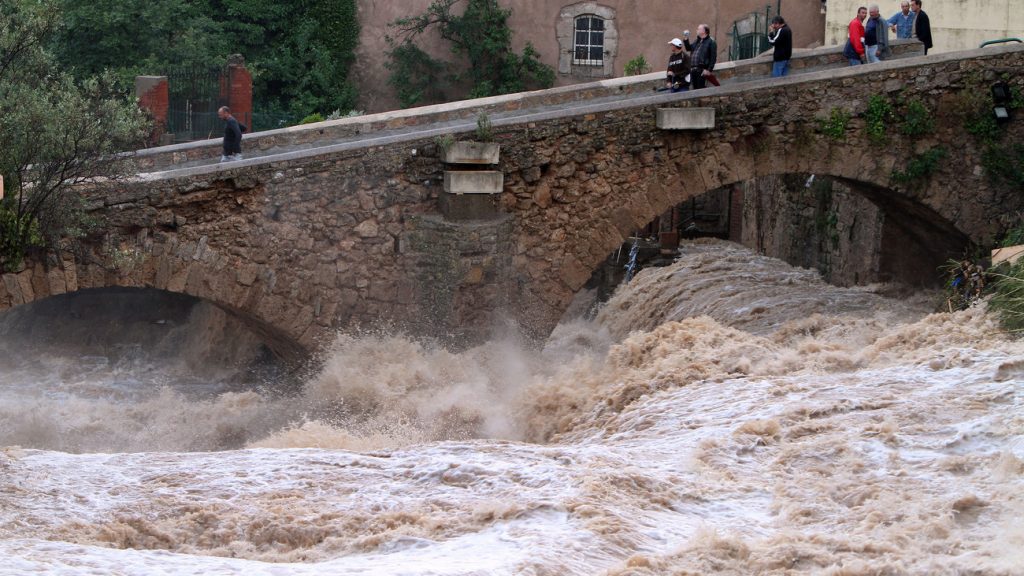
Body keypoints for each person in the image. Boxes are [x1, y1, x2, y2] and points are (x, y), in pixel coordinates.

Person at [688, 24, 718, 89]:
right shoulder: (697, 41)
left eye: (698, 29)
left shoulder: (711, 42)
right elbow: (688, 48)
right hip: (693, 70)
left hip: (702, 70)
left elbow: (713, 57)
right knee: (695, 90)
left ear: (704, 31)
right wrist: (686, 39)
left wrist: (709, 70)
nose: (697, 30)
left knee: (700, 90)